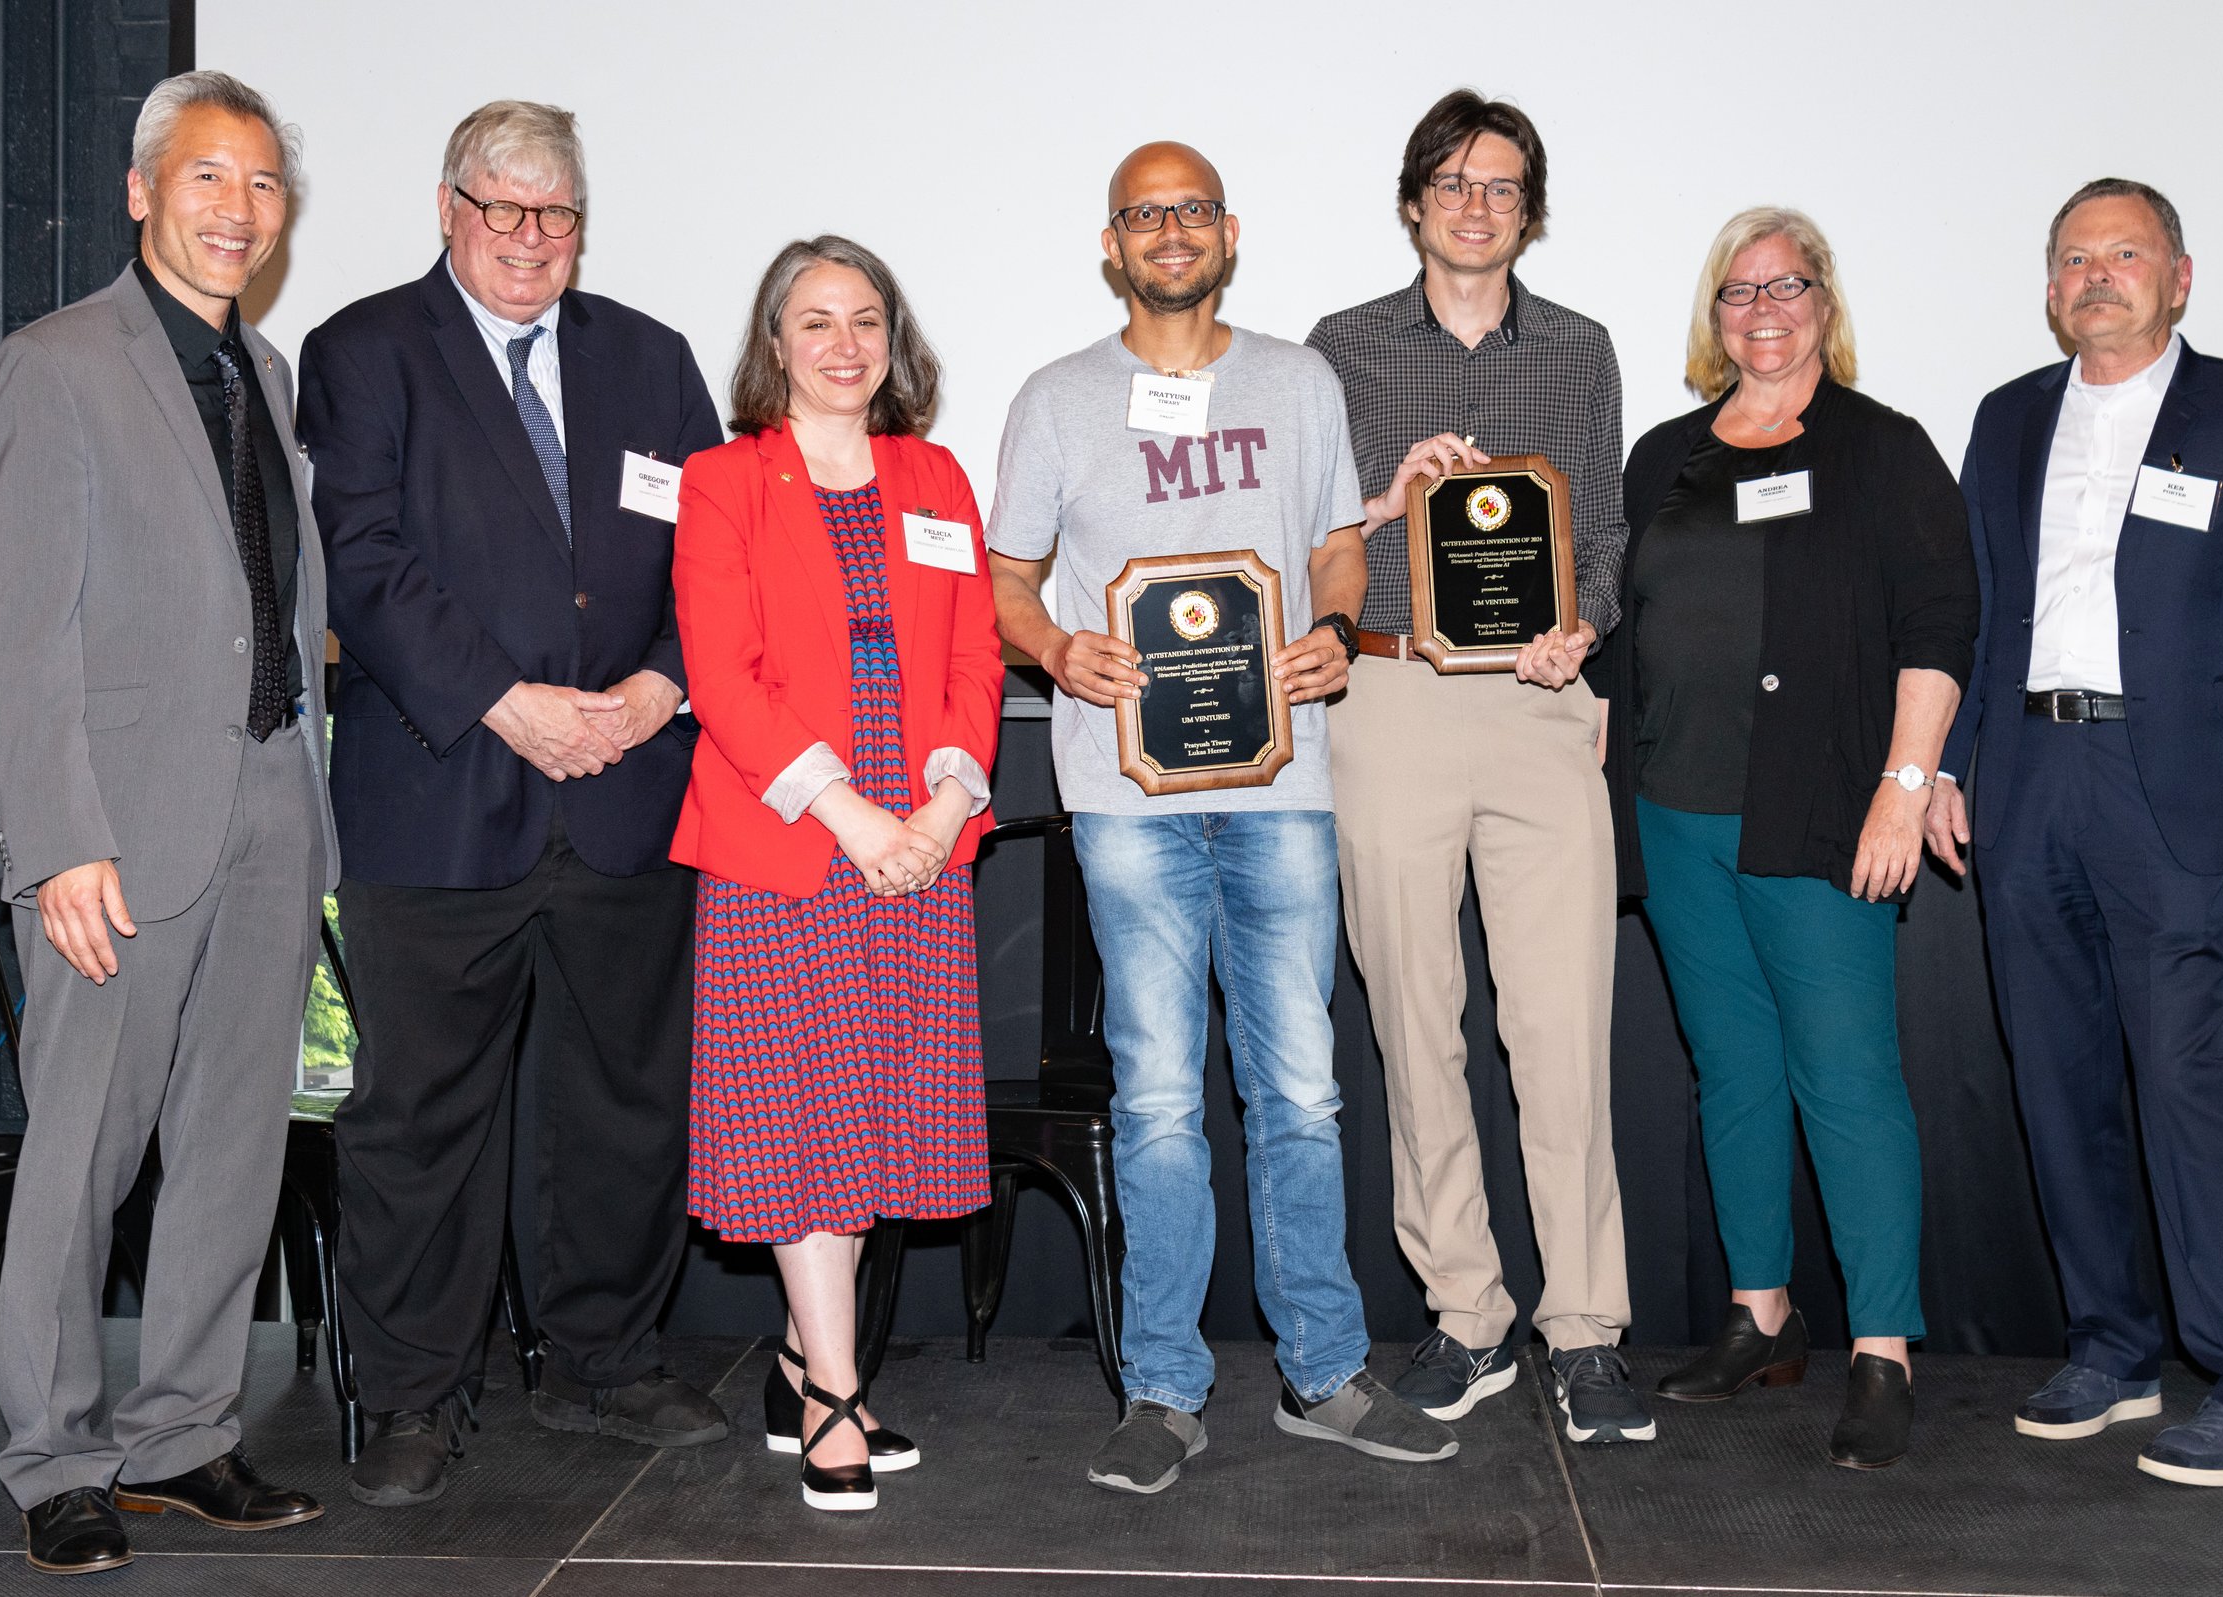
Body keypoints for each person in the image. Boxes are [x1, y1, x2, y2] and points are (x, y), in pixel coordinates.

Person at [987, 140, 1457, 1496]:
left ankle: (1322, 1369)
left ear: (1229, 230)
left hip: (1285, 789)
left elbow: (1336, 542)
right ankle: (1162, 1386)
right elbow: (1012, 578)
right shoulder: (1060, 398)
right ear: (1112, 242)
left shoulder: (1298, 381)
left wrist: (1331, 630)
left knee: (1302, 1092)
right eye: (1145, 214)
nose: (1170, 231)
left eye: (1191, 209)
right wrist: (1057, 653)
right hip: (1125, 801)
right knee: (1156, 1102)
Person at [297, 100, 728, 1508]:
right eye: (505, 210)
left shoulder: (652, 359)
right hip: (436, 792)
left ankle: (604, 1358)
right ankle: (418, 1394)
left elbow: (711, 560)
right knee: (420, 1115)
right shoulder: (362, 352)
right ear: (446, 208)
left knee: (623, 1100)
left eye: (559, 216)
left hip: (627, 789)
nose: (533, 240)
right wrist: (507, 702)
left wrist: (663, 688)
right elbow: (361, 562)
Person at [1926, 178, 2223, 1486]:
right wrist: (1946, 762)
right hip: (2026, 772)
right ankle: (2110, 1347)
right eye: (2072, 257)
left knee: (2180, 1081)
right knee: (2055, 1080)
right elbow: (1971, 606)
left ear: (2178, 275)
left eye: (2123, 253)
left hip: (2165, 776)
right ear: (2050, 288)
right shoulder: (2006, 417)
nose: (2095, 273)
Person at [0, 70, 337, 1575]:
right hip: (116, 831)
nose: (237, 209)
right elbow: (19, 626)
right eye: (207, 179)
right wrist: (57, 839)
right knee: (84, 1154)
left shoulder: (273, 375)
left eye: (260, 185)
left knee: (237, 1142)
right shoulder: (54, 365)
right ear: (141, 192)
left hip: (267, 806)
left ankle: (184, 1433)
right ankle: (54, 1453)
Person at [1598, 207, 1977, 1469]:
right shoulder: (1662, 454)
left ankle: (1882, 1348)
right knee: (1734, 1069)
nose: (1762, 310)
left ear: (1824, 301)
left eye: (1787, 286)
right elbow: (1620, 617)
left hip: (1818, 809)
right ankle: (1759, 1314)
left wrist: (1904, 785)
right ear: (1713, 314)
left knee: (1847, 1076)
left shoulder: (1880, 448)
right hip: (1674, 810)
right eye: (1737, 292)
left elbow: (1939, 619)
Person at [1306, 89, 1645, 1443]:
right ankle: (1467, 1313)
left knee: (1562, 1029)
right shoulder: (1335, 349)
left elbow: (1607, 531)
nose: (1474, 203)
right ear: (1411, 202)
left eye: (1500, 185)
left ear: (1530, 210)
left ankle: (1586, 1330)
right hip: (1387, 691)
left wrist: (1588, 622)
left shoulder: (1584, 349)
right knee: (1415, 1026)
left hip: (1538, 702)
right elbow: (1315, 527)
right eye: (1450, 181)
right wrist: (1383, 503)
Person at [669, 235, 1001, 1513]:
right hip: (788, 850)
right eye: (815, 321)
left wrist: (941, 801)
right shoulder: (724, 480)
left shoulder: (935, 474)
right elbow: (723, 671)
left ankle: (814, 1353)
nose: (844, 344)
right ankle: (834, 1398)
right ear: (774, 344)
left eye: (865, 319)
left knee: (870, 1121)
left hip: (920, 849)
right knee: (804, 1123)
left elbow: (974, 653)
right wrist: (854, 819)